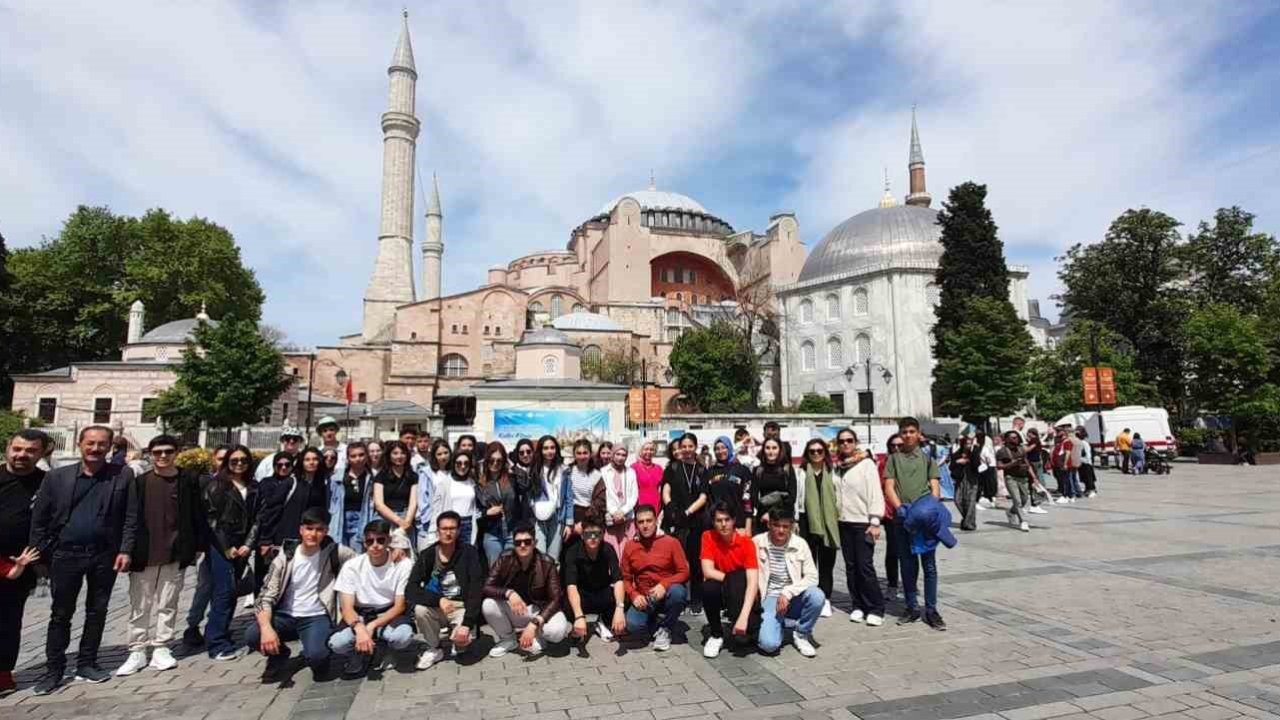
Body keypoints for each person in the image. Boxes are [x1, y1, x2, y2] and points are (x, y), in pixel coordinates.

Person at [29, 426, 137, 695]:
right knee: (61, 613)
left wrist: (125, 549)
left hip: (104, 554)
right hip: (66, 554)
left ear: (110, 446)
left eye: (102, 444)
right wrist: (40, 554)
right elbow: (40, 519)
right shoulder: (57, 477)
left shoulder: (121, 475)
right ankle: (54, 669)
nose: (96, 448)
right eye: (90, 443)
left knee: (97, 610)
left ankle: (87, 663)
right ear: (80, 444)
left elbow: (130, 516)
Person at [116, 435, 203, 677]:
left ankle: (161, 647)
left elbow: (197, 515)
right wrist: (126, 549)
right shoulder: (140, 482)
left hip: (175, 552)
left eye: (167, 451)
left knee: (168, 603)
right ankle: (136, 649)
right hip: (144, 553)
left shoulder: (187, 480)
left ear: (176, 452)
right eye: (157, 452)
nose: (162, 456)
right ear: (150, 454)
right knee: (140, 605)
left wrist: (196, 546)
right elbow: (130, 517)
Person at [246, 508, 355, 681]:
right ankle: (278, 654)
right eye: (309, 529)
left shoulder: (335, 551)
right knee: (253, 635)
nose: (313, 534)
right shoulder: (285, 556)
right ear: (301, 530)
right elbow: (265, 596)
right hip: (286, 615)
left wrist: (394, 551)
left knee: (317, 658)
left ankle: (320, 657)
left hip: (316, 616)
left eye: (319, 530)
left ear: (326, 531)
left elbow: (364, 562)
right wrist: (267, 629)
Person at [327, 520, 414, 678]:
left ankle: (387, 649)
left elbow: (400, 606)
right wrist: (360, 628)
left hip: (389, 613)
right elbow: (346, 608)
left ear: (388, 541)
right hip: (359, 615)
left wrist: (372, 626)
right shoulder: (352, 566)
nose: (375, 545)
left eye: (380, 540)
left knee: (401, 637)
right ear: (364, 543)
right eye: (370, 541)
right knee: (337, 643)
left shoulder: (403, 564)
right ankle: (356, 653)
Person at [882, 417, 945, 631]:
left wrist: (928, 509)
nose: (908, 435)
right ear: (900, 434)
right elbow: (889, 486)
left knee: (929, 565)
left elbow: (935, 487)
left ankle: (931, 610)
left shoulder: (928, 460)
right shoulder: (893, 459)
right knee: (907, 565)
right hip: (903, 519)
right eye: (904, 431)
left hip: (925, 519)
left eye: (911, 431)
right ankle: (911, 607)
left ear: (919, 434)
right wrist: (899, 507)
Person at [1, 430, 47, 696]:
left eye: (30, 451)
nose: (22, 455)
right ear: (8, 447)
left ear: (41, 453)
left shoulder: (47, 483)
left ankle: (3, 674)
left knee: (8, 621)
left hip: (22, 566)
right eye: (17, 448)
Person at [201, 445, 258, 662]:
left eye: (243, 460)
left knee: (233, 591)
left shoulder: (253, 486)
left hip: (242, 543)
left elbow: (258, 518)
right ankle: (217, 643)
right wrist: (226, 547)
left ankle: (220, 633)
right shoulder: (216, 485)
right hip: (221, 544)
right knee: (223, 592)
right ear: (227, 463)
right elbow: (212, 519)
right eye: (234, 461)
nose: (239, 464)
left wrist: (249, 544)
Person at [406, 510, 482, 670]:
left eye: (452, 528)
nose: (448, 533)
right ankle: (434, 648)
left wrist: (467, 624)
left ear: (459, 531)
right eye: (444, 529)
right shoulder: (427, 555)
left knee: (462, 646)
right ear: (438, 531)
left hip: (461, 607)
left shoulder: (469, 553)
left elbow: (476, 589)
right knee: (420, 610)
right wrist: (438, 600)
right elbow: (411, 590)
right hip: (438, 607)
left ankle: (459, 637)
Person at [481, 521, 570, 657]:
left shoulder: (547, 562)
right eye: (518, 542)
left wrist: (535, 623)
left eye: (527, 541)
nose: (522, 545)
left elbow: (556, 598)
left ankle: (538, 637)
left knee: (557, 632)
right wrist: (509, 593)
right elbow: (486, 587)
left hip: (538, 611)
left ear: (535, 542)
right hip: (515, 610)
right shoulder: (505, 558)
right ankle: (508, 640)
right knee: (488, 604)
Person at [832, 428, 885, 626]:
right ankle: (857, 605)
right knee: (850, 567)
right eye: (842, 441)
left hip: (863, 522)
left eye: (849, 440)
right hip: (844, 522)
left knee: (865, 567)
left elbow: (875, 492)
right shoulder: (837, 467)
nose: (846, 444)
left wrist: (875, 521)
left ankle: (875, 607)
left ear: (855, 442)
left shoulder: (866, 464)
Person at [752, 509, 822, 657]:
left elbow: (812, 577)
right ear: (769, 524)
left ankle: (801, 633)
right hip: (769, 597)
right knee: (768, 646)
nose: (781, 530)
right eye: (776, 525)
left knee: (817, 596)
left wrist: (788, 592)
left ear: (791, 526)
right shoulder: (757, 542)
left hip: (793, 595)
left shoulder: (800, 544)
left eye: (785, 526)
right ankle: (776, 625)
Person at [620, 504, 689, 650]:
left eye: (649, 521)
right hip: (644, 598)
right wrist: (633, 595)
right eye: (641, 522)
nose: (645, 525)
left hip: (666, 594)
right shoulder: (630, 546)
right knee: (633, 625)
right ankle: (654, 623)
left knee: (679, 593)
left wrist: (664, 584)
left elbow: (684, 572)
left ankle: (666, 629)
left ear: (656, 521)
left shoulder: (671, 542)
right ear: (636, 524)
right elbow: (625, 578)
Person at [183, 445, 230, 648]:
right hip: (209, 543)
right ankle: (193, 625)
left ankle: (218, 623)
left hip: (231, 544)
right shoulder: (203, 482)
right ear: (213, 460)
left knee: (227, 587)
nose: (224, 463)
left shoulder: (237, 483)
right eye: (221, 459)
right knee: (205, 586)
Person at [699, 501, 760, 658]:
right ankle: (716, 634)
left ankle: (743, 623)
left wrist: (744, 618)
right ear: (713, 522)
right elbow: (707, 571)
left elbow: (753, 581)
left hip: (742, 588)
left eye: (727, 520)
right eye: (719, 521)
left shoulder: (747, 543)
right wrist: (730, 580)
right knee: (708, 587)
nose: (723, 524)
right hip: (723, 585)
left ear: (734, 520)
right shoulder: (708, 537)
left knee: (749, 635)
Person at [562, 513, 627, 645]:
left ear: (603, 534)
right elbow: (571, 585)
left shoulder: (608, 549)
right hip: (582, 595)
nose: (592, 538)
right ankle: (578, 624)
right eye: (588, 534)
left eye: (596, 534)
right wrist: (579, 616)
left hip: (602, 592)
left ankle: (604, 622)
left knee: (623, 597)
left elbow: (618, 579)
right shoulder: (572, 552)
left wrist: (620, 608)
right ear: (581, 535)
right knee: (566, 602)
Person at [661, 433, 707, 612]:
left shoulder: (702, 469)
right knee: (677, 562)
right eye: (684, 446)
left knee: (696, 562)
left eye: (690, 446)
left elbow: (703, 496)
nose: (687, 450)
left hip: (695, 521)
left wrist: (688, 511)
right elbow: (666, 490)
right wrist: (671, 508)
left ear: (695, 447)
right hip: (677, 521)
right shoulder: (673, 467)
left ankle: (696, 599)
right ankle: (677, 599)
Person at [797, 438, 839, 618]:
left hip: (829, 522)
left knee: (827, 563)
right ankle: (810, 598)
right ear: (807, 453)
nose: (816, 454)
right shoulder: (800, 473)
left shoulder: (833, 471)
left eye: (819, 451)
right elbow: (797, 498)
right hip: (807, 522)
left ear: (825, 453)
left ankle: (825, 598)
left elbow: (839, 496)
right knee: (808, 563)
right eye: (812, 451)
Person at [423, 450, 478, 550]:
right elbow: (437, 510)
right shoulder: (444, 484)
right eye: (459, 463)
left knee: (465, 557)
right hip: (450, 526)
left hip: (468, 526)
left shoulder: (472, 483)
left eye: (466, 463)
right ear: (453, 463)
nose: (463, 466)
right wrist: (432, 534)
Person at [476, 442, 518, 565]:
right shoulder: (480, 481)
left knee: (511, 571)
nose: (495, 464)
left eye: (499, 461)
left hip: (511, 531)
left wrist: (512, 464)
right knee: (495, 572)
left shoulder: (511, 478)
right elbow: (475, 508)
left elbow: (525, 485)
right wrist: (486, 512)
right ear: (486, 460)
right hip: (491, 533)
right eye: (492, 460)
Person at [528, 435, 568, 558]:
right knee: (539, 556)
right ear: (540, 450)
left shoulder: (564, 469)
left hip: (558, 516)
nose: (549, 451)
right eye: (545, 448)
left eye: (552, 447)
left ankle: (553, 578)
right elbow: (529, 495)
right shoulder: (534, 470)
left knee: (554, 557)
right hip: (539, 517)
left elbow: (568, 497)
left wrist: (569, 523)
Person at [330, 442, 374, 551]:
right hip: (340, 519)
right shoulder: (337, 478)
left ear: (367, 456)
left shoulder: (372, 478)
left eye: (361, 455)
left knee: (358, 555)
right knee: (339, 554)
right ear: (348, 458)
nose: (357, 459)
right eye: (353, 456)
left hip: (362, 520)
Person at [373, 440, 418, 543]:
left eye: (402, 453)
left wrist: (406, 522)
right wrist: (398, 521)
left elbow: (413, 502)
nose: (399, 456)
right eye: (395, 453)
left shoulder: (413, 476)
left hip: (407, 517)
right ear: (389, 455)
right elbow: (379, 504)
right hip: (386, 517)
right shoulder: (381, 476)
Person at [564, 439, 606, 551]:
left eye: (585, 453)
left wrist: (583, 524)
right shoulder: (567, 471)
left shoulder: (597, 475)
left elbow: (600, 502)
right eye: (579, 453)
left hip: (589, 517)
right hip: (569, 516)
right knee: (569, 554)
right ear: (574, 454)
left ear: (590, 454)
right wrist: (569, 523)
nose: (582, 456)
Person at [705, 436, 752, 535]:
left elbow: (748, 498)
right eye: (717, 449)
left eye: (723, 447)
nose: (720, 451)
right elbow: (708, 499)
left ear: (729, 448)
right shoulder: (710, 472)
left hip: (738, 525)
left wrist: (748, 526)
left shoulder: (742, 470)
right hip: (716, 525)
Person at [749, 437, 796, 533]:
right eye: (768, 448)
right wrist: (764, 513)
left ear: (780, 450)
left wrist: (772, 514)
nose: (771, 451)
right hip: (763, 518)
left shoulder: (787, 469)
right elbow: (754, 496)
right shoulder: (758, 470)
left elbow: (792, 497)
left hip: (783, 519)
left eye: (774, 448)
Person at [600, 444, 638, 555]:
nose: (620, 457)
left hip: (627, 517)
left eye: (624, 455)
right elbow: (603, 495)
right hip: (610, 518)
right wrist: (614, 513)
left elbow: (634, 495)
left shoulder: (631, 472)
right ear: (612, 454)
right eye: (618, 454)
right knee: (611, 551)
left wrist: (622, 512)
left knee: (628, 550)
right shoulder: (603, 472)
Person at [878, 433, 904, 592]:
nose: (896, 448)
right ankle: (893, 584)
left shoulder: (913, 462)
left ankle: (909, 585)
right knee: (893, 549)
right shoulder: (884, 463)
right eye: (892, 446)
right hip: (891, 513)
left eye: (899, 445)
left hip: (910, 511)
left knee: (909, 550)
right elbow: (880, 486)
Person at [994, 432, 1031, 532]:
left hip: (1023, 477)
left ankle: (1011, 512)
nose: (1016, 439)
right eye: (1013, 438)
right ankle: (1023, 521)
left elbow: (1027, 462)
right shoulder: (1002, 451)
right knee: (1017, 500)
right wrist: (1012, 464)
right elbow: (999, 466)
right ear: (1006, 440)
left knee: (1024, 499)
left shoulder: (1021, 449)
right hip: (1010, 477)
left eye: (1017, 437)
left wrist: (1032, 475)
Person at [416, 439, 450, 547]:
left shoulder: (454, 472)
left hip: (450, 521)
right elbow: (422, 498)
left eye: (446, 453)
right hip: (430, 523)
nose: (443, 457)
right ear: (434, 456)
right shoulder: (426, 472)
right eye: (439, 454)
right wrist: (428, 520)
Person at [949, 436, 980, 532]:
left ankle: (969, 524)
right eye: (967, 443)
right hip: (960, 480)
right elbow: (951, 467)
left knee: (970, 502)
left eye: (970, 443)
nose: (968, 445)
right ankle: (967, 520)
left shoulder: (974, 453)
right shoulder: (957, 454)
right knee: (958, 500)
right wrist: (958, 462)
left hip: (972, 480)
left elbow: (976, 464)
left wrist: (975, 448)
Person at [631, 440, 664, 520]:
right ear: (640, 450)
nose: (649, 452)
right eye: (646, 449)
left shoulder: (659, 468)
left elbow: (661, 488)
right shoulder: (633, 467)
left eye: (651, 449)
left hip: (656, 504)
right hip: (640, 504)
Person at [1022, 429, 1050, 515]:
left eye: (1028, 433)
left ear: (1032, 433)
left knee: (1037, 483)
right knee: (1035, 483)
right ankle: (1035, 505)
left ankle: (1035, 503)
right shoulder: (1033, 440)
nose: (1027, 435)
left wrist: (1023, 447)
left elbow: (1028, 449)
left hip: (1034, 463)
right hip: (1034, 462)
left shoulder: (1034, 440)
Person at [1075, 427, 1098, 497]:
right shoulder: (1079, 442)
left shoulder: (1084, 443)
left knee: (1089, 477)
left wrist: (1080, 459)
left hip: (1086, 463)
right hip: (1081, 462)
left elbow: (1088, 455)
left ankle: (1092, 490)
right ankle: (1087, 489)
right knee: (1084, 477)